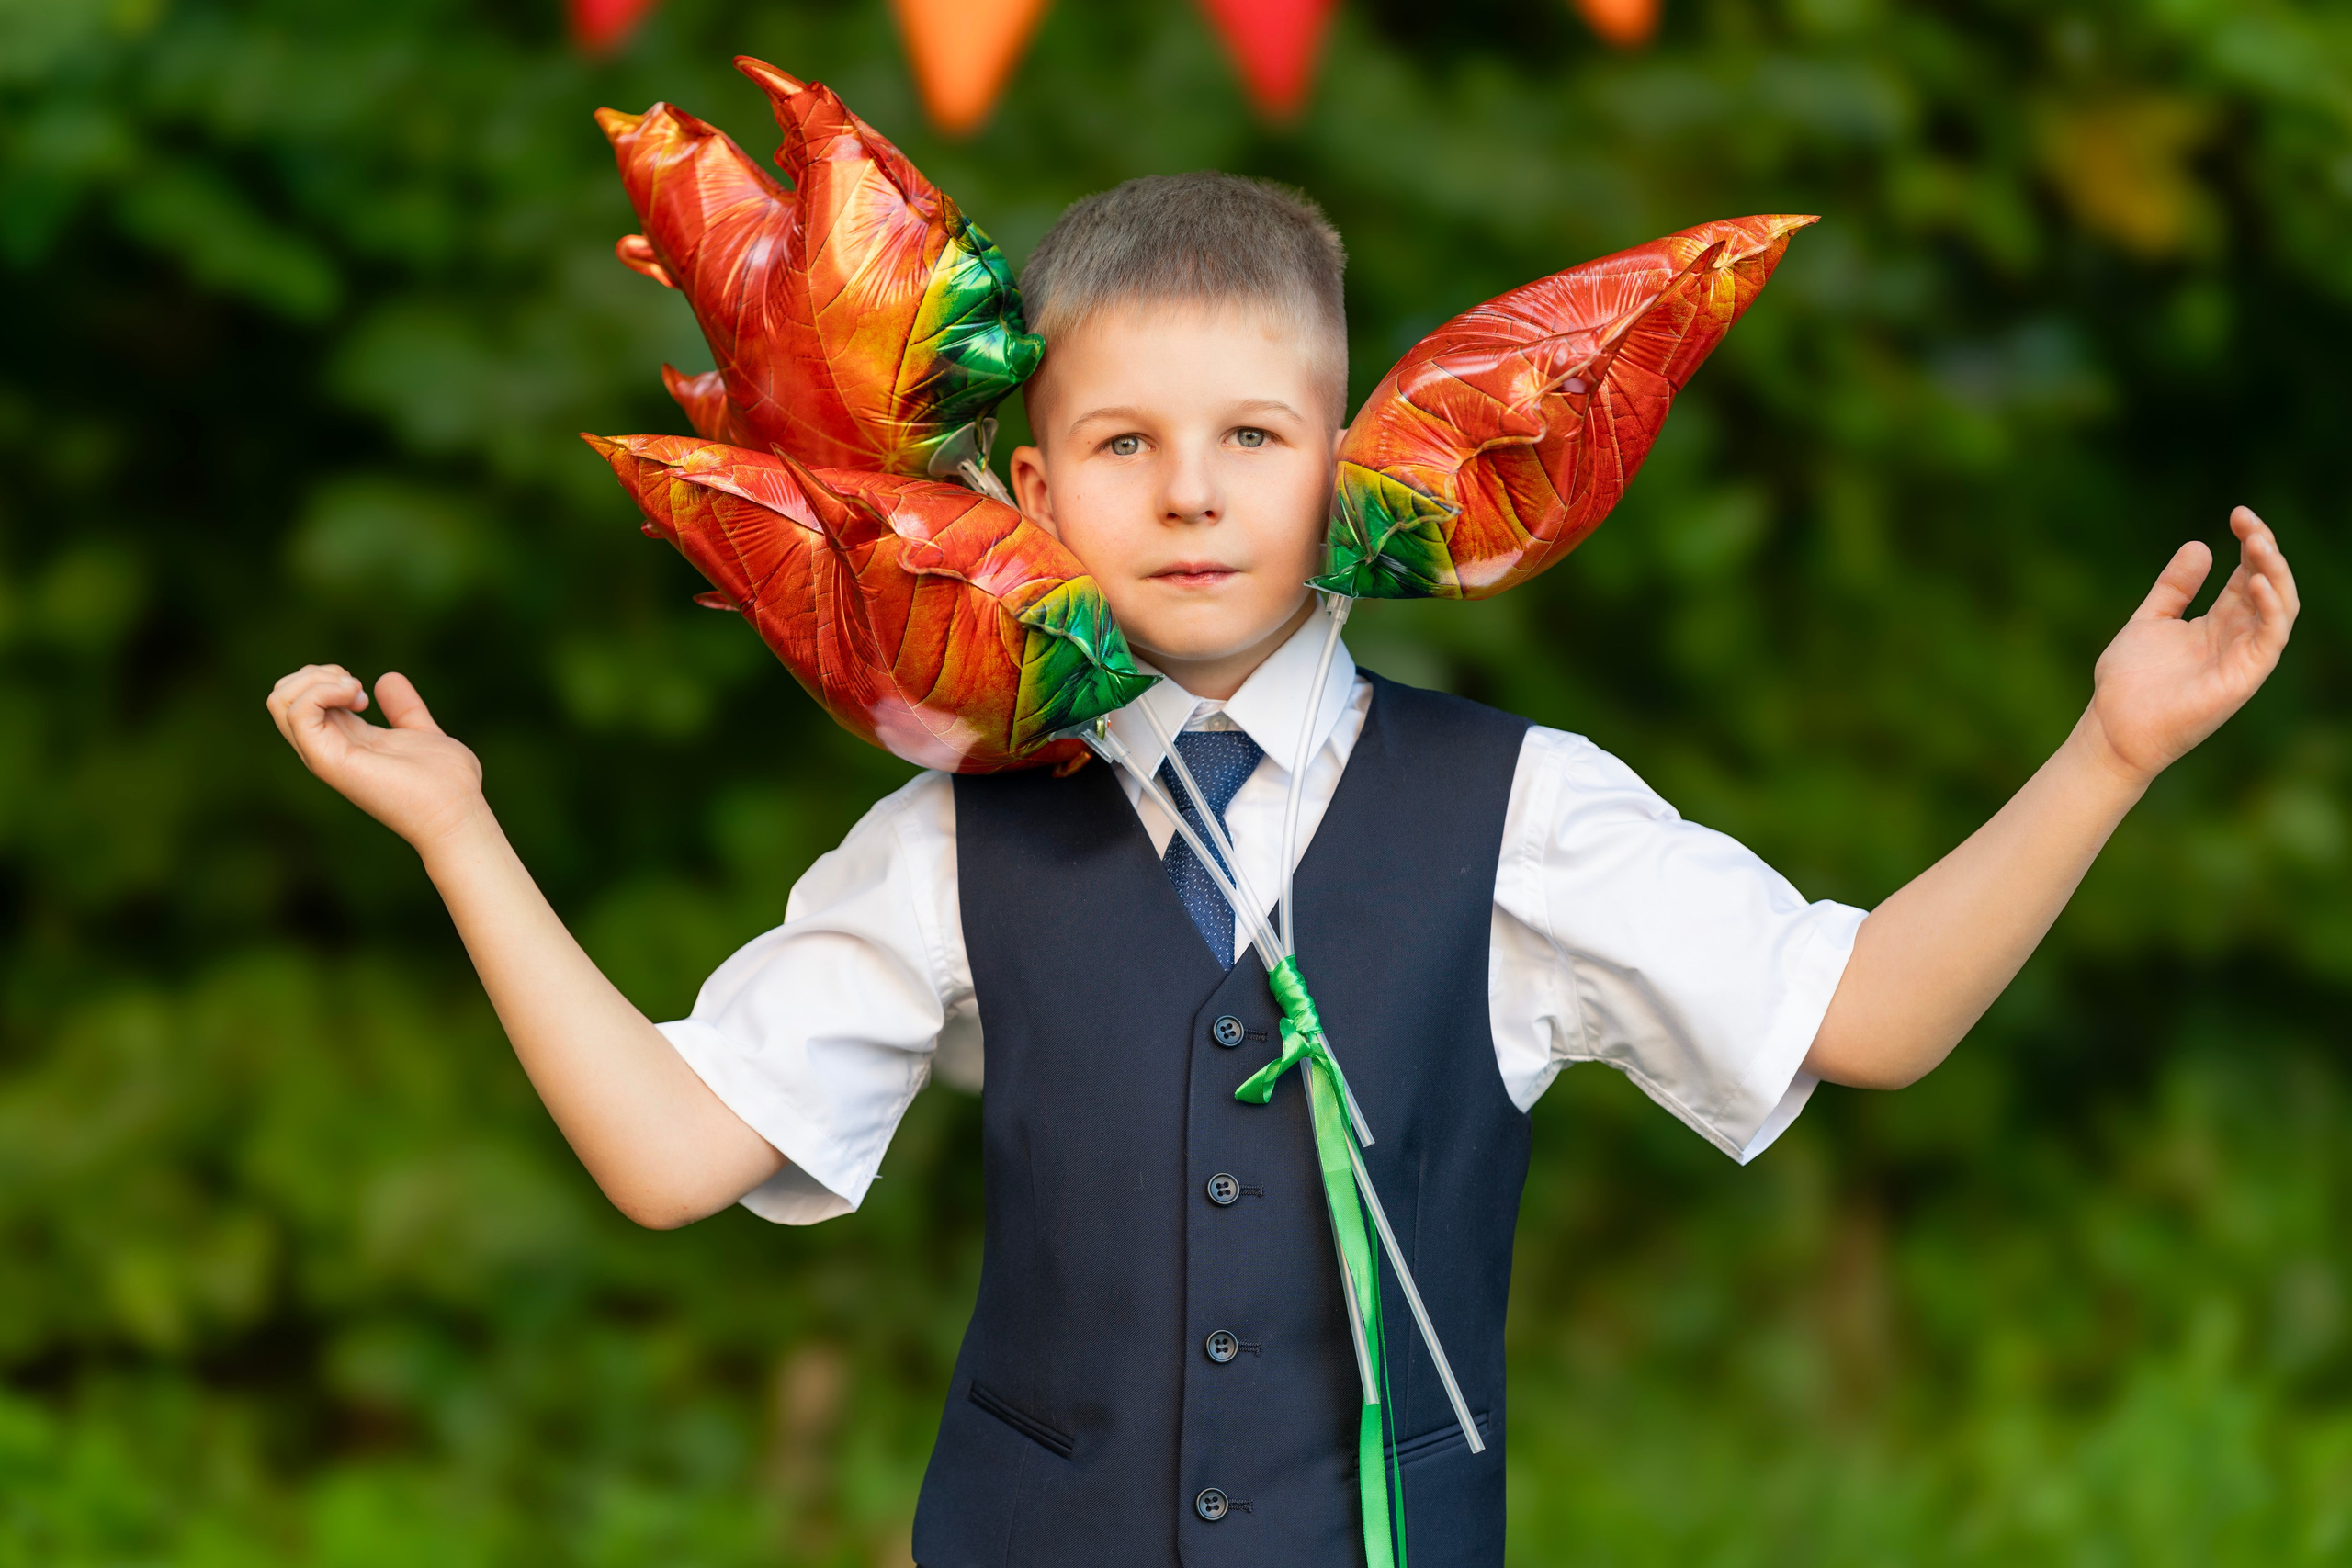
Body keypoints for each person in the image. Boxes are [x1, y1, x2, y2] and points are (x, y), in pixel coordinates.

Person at [266, 175, 2299, 1565]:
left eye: (1251, 433)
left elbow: (1864, 1015)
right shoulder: (946, 837)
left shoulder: (1519, 806)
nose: (1190, 491)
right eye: (1127, 444)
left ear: (1347, 457)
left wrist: (2107, 750)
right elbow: (667, 1153)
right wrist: (461, 829)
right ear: (1032, 488)